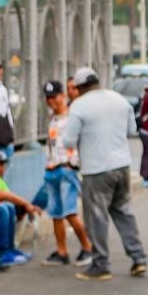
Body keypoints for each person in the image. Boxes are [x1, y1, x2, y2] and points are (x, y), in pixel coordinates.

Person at [58, 67, 148, 282]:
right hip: (122, 165)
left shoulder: (79, 105)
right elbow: (131, 128)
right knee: (124, 212)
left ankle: (101, 264)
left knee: (97, 217)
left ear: (80, 88)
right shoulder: (119, 100)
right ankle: (139, 258)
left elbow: (68, 141)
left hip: (96, 169)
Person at [39, 79, 95, 265]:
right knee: (55, 214)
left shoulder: (73, 117)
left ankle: (88, 247)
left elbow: (80, 144)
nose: (51, 101)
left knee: (70, 212)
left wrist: (72, 164)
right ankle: (62, 252)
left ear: (62, 96)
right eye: (48, 98)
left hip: (66, 169)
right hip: (52, 169)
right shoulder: (53, 119)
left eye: (54, 96)